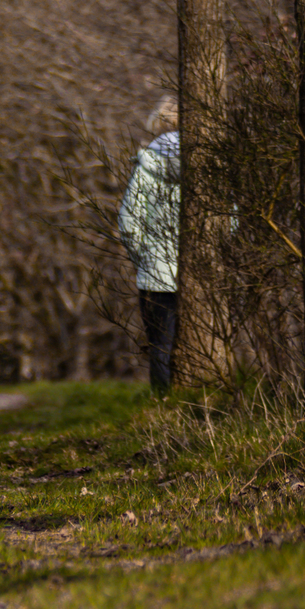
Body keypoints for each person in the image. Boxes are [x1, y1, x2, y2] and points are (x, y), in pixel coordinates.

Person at [118, 96, 182, 391]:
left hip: (157, 274)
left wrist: (143, 258)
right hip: (204, 273)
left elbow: (130, 221)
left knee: (161, 344)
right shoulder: (212, 161)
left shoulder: (149, 163)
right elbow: (231, 217)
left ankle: (164, 407)